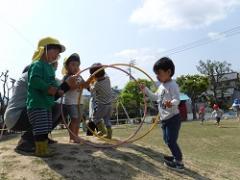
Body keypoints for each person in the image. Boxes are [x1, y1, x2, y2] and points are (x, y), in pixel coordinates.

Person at [141, 57, 184, 171]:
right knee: (166, 140)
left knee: (171, 140)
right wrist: (145, 90)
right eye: (156, 74)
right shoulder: (161, 86)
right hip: (165, 119)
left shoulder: (172, 85)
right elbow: (155, 97)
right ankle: (175, 156)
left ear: (168, 72)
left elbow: (177, 99)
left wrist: (172, 103)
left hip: (173, 118)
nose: (157, 76)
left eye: (159, 73)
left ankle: (179, 162)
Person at [62, 53, 85, 143]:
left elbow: (85, 84)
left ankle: (76, 136)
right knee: (74, 119)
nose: (75, 67)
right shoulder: (67, 77)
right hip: (70, 102)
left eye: (77, 65)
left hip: (80, 102)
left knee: (78, 120)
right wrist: (79, 85)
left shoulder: (80, 76)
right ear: (67, 66)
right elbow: (69, 88)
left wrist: (90, 81)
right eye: (73, 65)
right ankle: (72, 137)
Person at [89, 63, 113, 139]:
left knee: (95, 118)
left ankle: (101, 131)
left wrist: (90, 82)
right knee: (106, 119)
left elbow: (92, 90)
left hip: (102, 105)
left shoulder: (97, 84)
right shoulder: (108, 79)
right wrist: (102, 67)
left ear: (94, 76)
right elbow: (105, 73)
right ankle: (109, 134)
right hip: (109, 104)